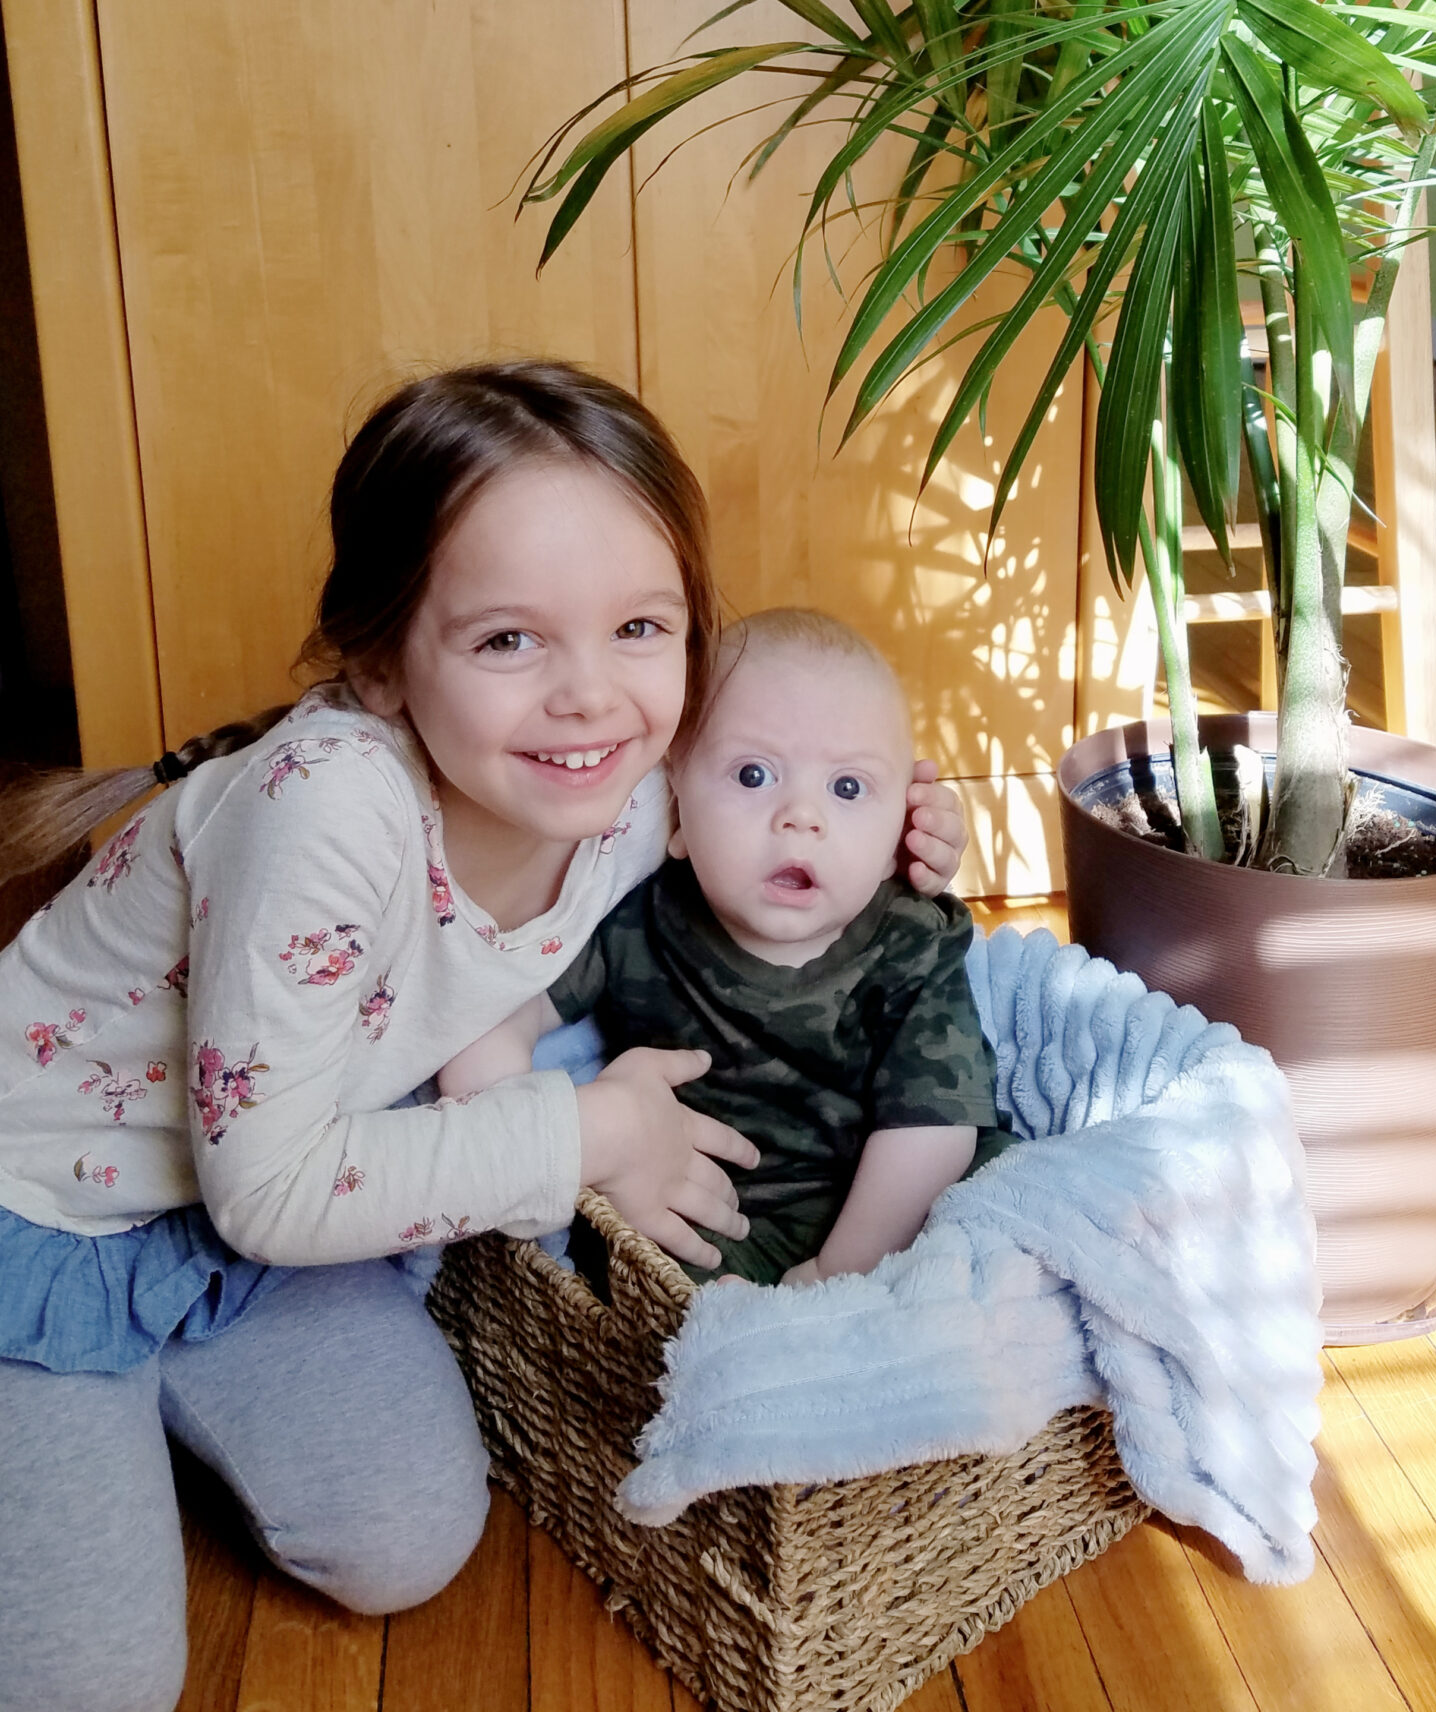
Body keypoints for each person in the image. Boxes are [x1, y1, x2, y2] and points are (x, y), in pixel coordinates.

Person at [0, 361, 967, 1712]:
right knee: (86, 1686)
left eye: (643, 627)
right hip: (55, 1212)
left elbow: (796, 777)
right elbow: (271, 1185)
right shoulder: (326, 807)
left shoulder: (631, 793)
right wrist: (588, 1130)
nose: (590, 697)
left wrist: (917, 825)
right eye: (509, 641)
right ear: (384, 665)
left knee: (403, 1540)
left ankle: (161, 1391)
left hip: (266, 1217)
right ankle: (79, 1399)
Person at [441, 608, 1005, 1287]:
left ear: (900, 836)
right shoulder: (643, 918)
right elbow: (508, 1007)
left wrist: (840, 1268)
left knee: (999, 1215)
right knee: (640, 1284)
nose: (801, 815)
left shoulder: (909, 946)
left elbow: (932, 1129)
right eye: (751, 776)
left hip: (890, 1211)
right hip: (712, 1217)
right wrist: (510, 1116)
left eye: (848, 788)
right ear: (675, 814)